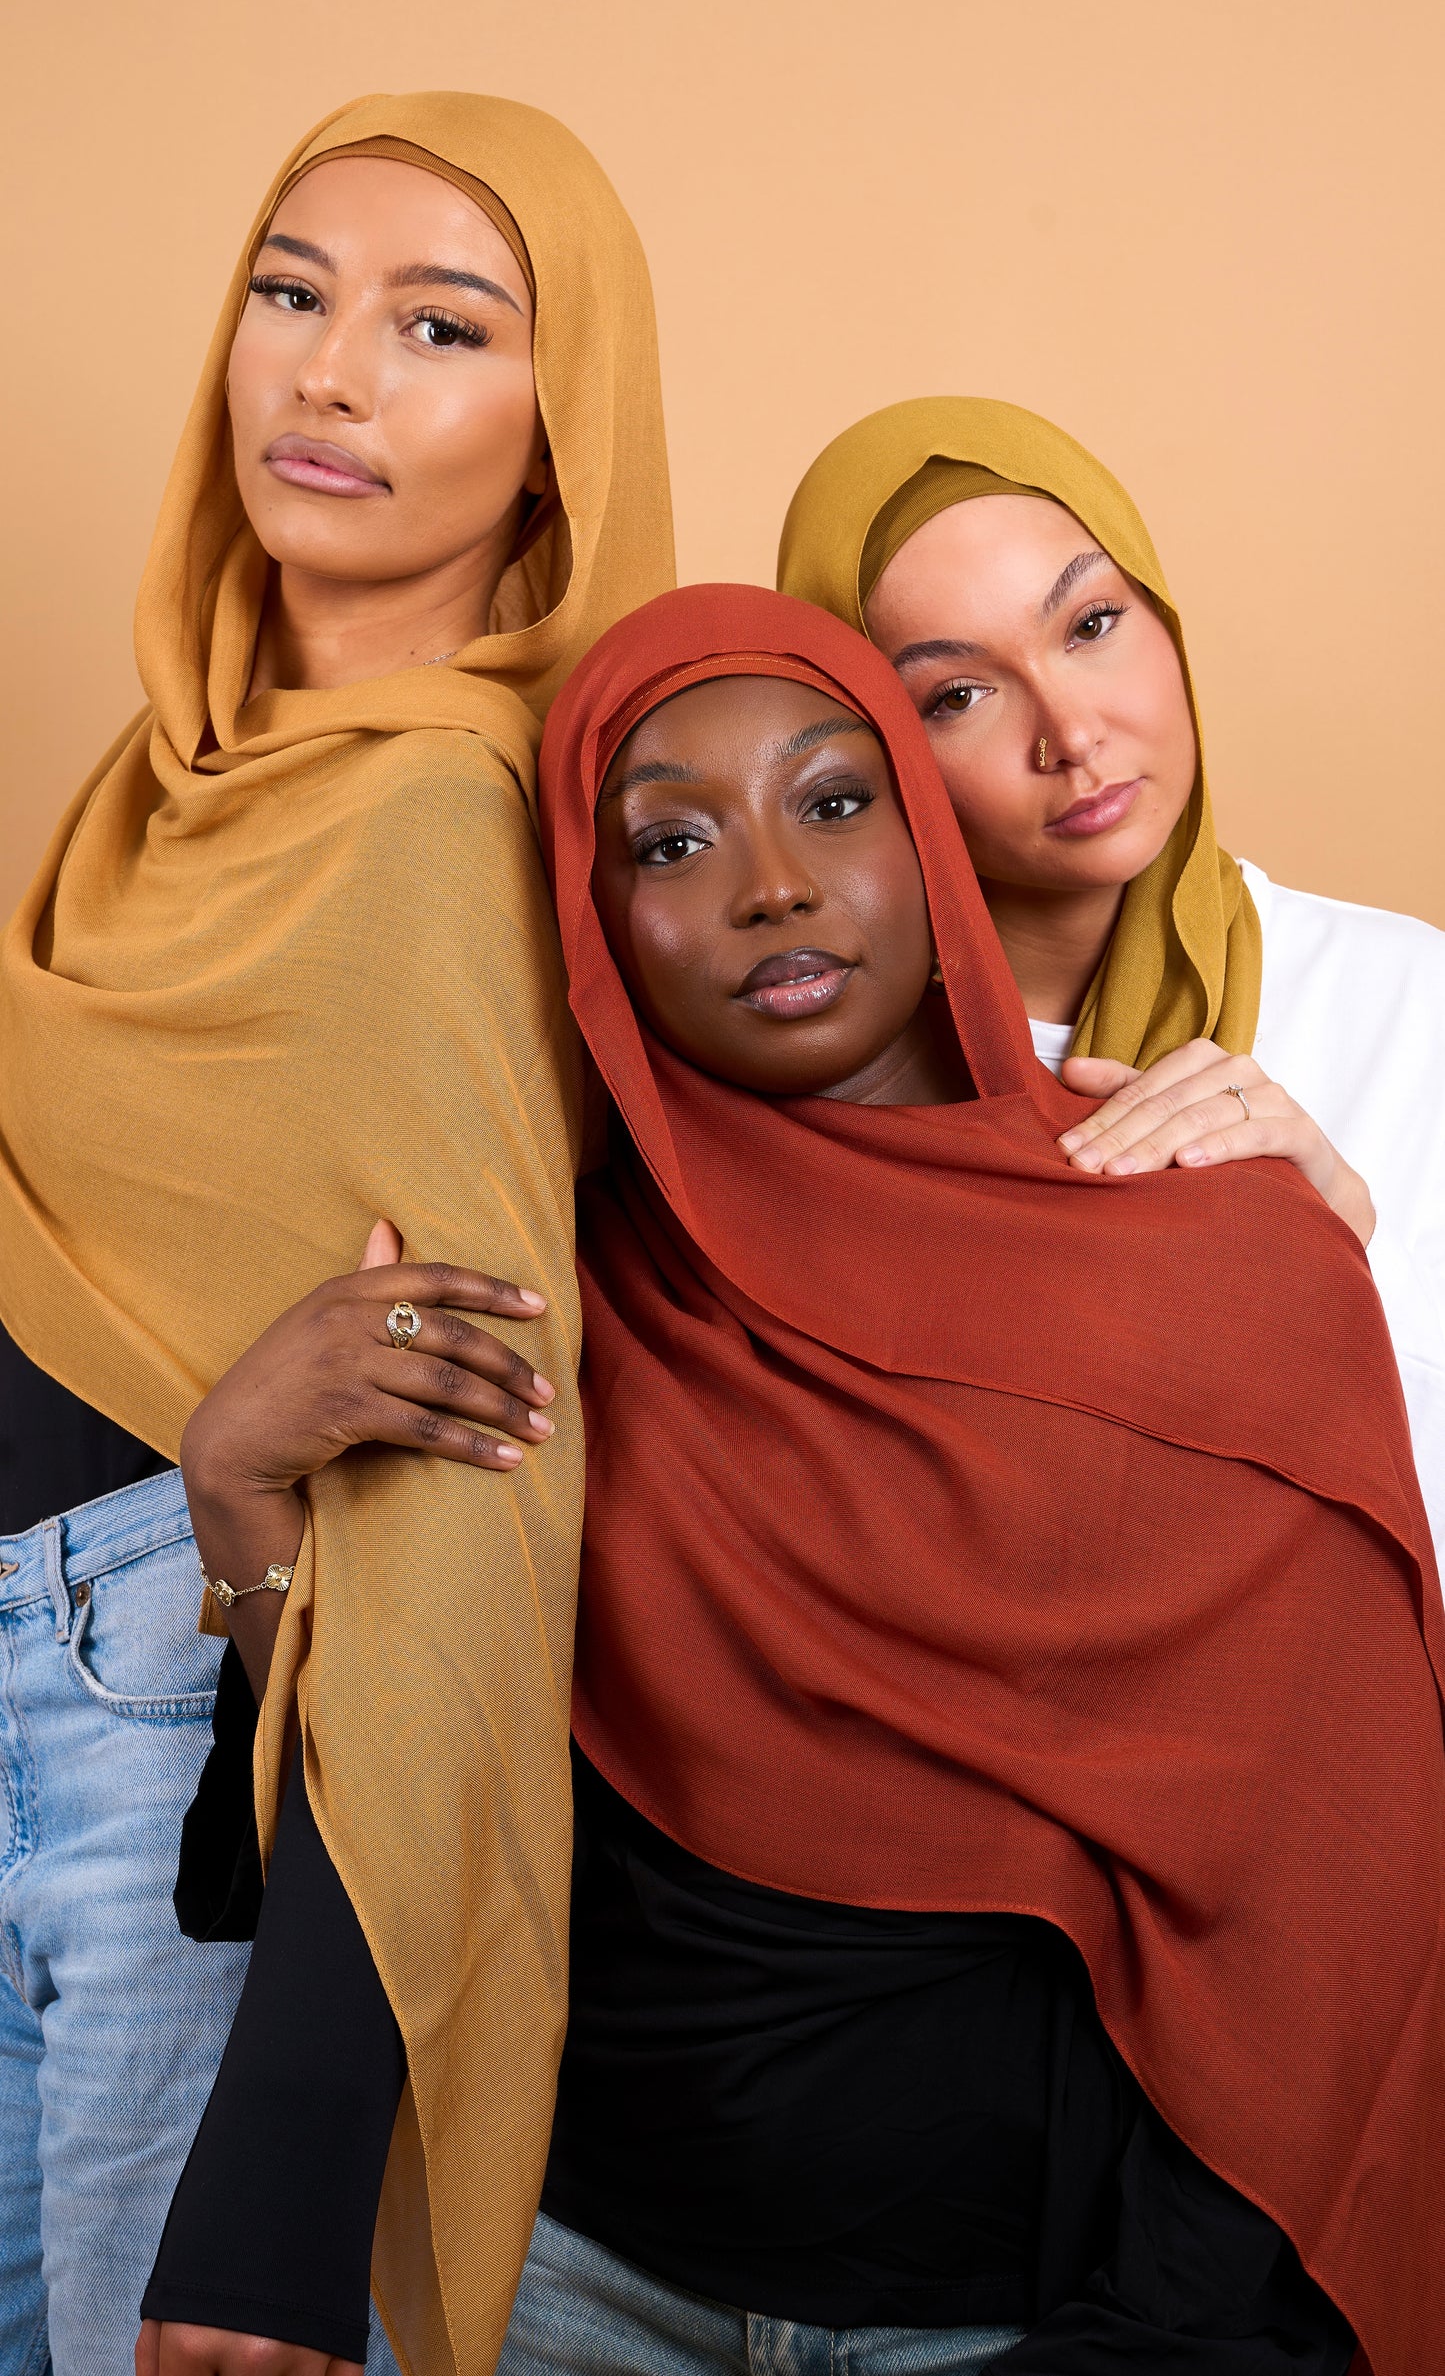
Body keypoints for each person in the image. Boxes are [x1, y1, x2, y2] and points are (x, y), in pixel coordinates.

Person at [147, 586, 1444, 2376]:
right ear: (592, 933)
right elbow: (400, 1799)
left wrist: (1155, 2338)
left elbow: (1345, 1883)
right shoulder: (551, 1293)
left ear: (932, 844)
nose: (769, 880)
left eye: (835, 800)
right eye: (672, 839)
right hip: (568, 2279)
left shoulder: (1228, 1249)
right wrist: (240, 1501)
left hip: (1019, 2318)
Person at [0, 89, 673, 2376]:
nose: (329, 370)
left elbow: (474, 1512)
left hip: (159, 1762)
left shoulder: (441, 831)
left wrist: (285, 2186)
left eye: (438, 326)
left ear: (555, 439)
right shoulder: (154, 786)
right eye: (289, 291)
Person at [778, 398, 1445, 1546]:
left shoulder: (1406, 1002)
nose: (1070, 733)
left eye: (1089, 623)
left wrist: (1338, 1255)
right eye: (955, 694)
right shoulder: (829, 1075)